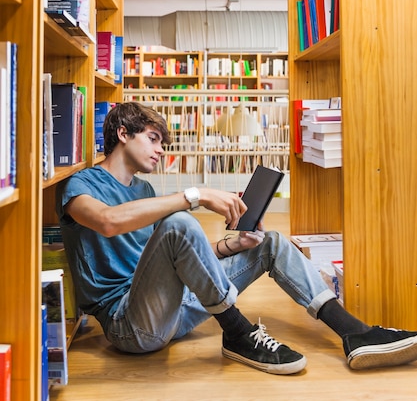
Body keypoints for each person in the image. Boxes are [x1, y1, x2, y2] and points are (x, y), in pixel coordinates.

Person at [56, 101, 417, 375]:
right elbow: (106, 222)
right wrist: (196, 195)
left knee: (269, 242)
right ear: (123, 134)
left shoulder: (144, 188)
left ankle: (355, 333)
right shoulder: (81, 185)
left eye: (162, 142)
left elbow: (176, 258)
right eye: (153, 138)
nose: (162, 149)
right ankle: (237, 333)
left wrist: (233, 246)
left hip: (172, 306)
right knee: (180, 221)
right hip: (130, 324)